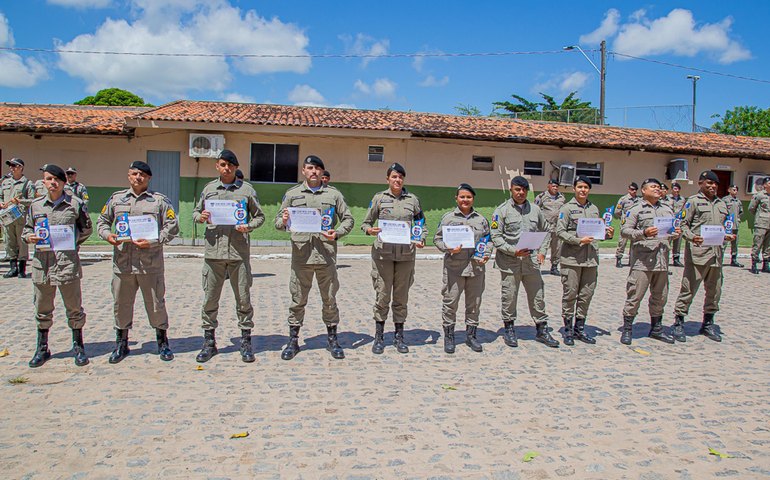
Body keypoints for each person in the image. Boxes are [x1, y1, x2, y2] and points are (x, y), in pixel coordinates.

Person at [97, 161, 180, 363]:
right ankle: (121, 343)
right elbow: (102, 222)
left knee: (156, 304)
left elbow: (172, 225)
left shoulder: (159, 201)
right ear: (128, 176)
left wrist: (155, 240)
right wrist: (108, 235)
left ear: (149, 178)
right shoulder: (116, 200)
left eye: (142, 174)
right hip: (123, 263)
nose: (138, 177)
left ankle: (162, 342)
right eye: (134, 173)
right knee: (121, 304)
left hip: (149, 264)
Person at [275, 155, 354, 360]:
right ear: (303, 170)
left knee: (329, 299)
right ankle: (293, 341)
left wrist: (337, 233)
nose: (314, 172)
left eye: (318, 168)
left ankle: (332, 340)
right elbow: (277, 222)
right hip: (301, 256)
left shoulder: (333, 195)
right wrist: (283, 220)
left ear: (322, 172)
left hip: (325, 255)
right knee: (297, 299)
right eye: (310, 168)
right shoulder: (292, 194)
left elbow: (348, 219)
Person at [192, 149, 265, 363]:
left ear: (236, 167)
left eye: (231, 165)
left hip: (238, 253)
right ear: (217, 166)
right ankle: (209, 342)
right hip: (214, 253)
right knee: (210, 299)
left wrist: (248, 226)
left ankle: (245, 341)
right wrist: (201, 217)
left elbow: (259, 216)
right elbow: (196, 213)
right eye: (223, 164)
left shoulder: (246, 191)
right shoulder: (208, 189)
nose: (227, 168)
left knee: (243, 299)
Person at [22, 164, 92, 367]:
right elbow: (27, 228)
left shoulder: (75, 204)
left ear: (63, 182)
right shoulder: (35, 206)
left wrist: (72, 242)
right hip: (42, 265)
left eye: (57, 180)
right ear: (43, 182)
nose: (53, 183)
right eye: (49, 179)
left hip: (66, 263)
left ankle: (78, 346)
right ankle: (42, 348)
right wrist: (29, 237)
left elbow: (86, 228)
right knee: (42, 308)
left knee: (74, 308)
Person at [360, 162, 426, 354]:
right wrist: (369, 230)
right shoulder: (379, 198)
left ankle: (399, 337)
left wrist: (420, 238)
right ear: (387, 178)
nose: (397, 180)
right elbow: (366, 222)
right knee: (382, 295)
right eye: (394, 176)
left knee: (401, 297)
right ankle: (379, 337)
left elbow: (420, 223)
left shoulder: (413, 200)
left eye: (400, 177)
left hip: (406, 256)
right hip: (383, 255)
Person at [490, 176, 559, 348]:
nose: (521, 193)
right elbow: (496, 237)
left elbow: (546, 230)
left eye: (524, 190)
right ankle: (509, 329)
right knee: (509, 296)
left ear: (527, 191)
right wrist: (514, 251)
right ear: (511, 190)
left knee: (537, 296)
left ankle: (542, 329)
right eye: (517, 189)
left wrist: (543, 251)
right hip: (509, 262)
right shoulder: (501, 211)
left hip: (531, 262)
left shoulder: (536, 210)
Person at [671, 170, 736, 342]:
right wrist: (692, 237)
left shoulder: (722, 204)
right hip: (697, 254)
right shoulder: (692, 202)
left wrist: (727, 235)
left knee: (714, 291)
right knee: (688, 289)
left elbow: (723, 227)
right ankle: (679, 322)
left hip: (716, 255)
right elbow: (682, 226)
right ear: (700, 183)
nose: (713, 186)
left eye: (715, 184)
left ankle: (708, 323)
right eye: (709, 183)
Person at [619, 178, 680, 345]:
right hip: (643, 260)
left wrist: (675, 233)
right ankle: (628, 328)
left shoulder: (667, 209)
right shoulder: (635, 209)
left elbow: (671, 230)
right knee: (635, 295)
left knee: (660, 296)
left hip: (662, 260)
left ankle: (656, 329)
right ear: (644, 190)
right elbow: (625, 230)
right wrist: (644, 233)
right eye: (653, 187)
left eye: (659, 187)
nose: (657, 189)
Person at [555, 175, 614, 346]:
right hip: (571, 259)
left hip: (590, 260)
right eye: (579, 187)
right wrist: (578, 240)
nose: (583, 190)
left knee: (586, 295)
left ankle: (579, 328)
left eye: (586, 187)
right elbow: (560, 231)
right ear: (574, 188)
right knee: (570, 294)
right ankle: (567, 330)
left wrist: (606, 234)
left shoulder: (594, 208)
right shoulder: (566, 209)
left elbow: (596, 233)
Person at [433, 183, 491, 354]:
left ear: (473, 199)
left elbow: (488, 240)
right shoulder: (448, 218)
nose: (465, 200)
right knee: (450, 302)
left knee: (474, 304)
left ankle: (471, 335)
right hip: (454, 268)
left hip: (476, 268)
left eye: (469, 197)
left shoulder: (481, 220)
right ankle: (449, 336)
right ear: (456, 198)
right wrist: (448, 248)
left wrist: (486, 254)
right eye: (462, 197)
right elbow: (437, 239)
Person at [0, 158, 36, 278]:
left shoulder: (27, 183)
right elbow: (0, 196)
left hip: (20, 217)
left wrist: (20, 201)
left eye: (15, 166)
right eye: (11, 166)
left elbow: (32, 201)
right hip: (7, 217)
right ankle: (13, 268)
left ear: (21, 168)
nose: (12, 168)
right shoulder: (5, 182)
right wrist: (1, 203)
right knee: (9, 242)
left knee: (22, 243)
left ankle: (21, 269)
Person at [534, 178, 565, 275]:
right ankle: (537, 266)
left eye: (557, 186)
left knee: (557, 247)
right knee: (542, 246)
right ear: (548, 186)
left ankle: (554, 267)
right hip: (545, 226)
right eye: (553, 186)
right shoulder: (541, 196)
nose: (555, 188)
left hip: (557, 226)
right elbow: (535, 210)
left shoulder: (562, 197)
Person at [614, 182, 639, 268]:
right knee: (622, 242)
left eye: (635, 190)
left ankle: (632, 260)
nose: (634, 191)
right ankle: (619, 259)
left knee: (634, 242)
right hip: (625, 224)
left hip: (635, 224)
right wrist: (624, 218)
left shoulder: (638, 200)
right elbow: (617, 212)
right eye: (632, 189)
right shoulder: (623, 199)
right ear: (629, 190)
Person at [748, 177, 770, 274]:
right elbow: (751, 208)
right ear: (765, 185)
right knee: (758, 244)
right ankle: (754, 264)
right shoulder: (759, 195)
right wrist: (759, 217)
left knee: (768, 246)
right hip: (761, 223)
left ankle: (766, 264)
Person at [722, 184, 744, 268]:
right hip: (727, 225)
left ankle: (734, 259)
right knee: (724, 243)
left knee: (735, 243)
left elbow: (741, 212)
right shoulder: (725, 200)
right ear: (729, 190)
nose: (735, 191)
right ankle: (721, 259)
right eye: (733, 189)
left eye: (736, 190)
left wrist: (738, 219)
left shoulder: (738, 201)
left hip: (736, 225)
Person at [670, 182, 686, 267]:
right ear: (671, 189)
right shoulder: (667, 198)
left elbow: (683, 210)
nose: (676, 190)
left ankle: (676, 258)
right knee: (667, 240)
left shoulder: (682, 199)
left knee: (678, 240)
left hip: (678, 222)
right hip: (669, 221)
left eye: (677, 188)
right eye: (674, 188)